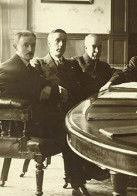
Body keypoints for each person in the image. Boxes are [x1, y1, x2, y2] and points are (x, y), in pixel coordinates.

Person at [32, 29, 108, 195]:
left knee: (87, 126)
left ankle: (88, 169)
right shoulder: (39, 64)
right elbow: (34, 83)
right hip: (47, 119)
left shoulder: (71, 65)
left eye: (64, 41)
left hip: (68, 114)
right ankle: (79, 179)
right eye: (58, 41)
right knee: (71, 134)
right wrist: (52, 87)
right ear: (49, 43)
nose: (61, 45)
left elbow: (80, 87)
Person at [0, 31, 54, 135]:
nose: (30, 49)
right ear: (15, 46)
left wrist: (48, 87)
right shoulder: (7, 69)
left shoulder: (30, 68)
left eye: (33, 45)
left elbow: (44, 81)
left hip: (33, 120)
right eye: (26, 45)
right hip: (19, 127)